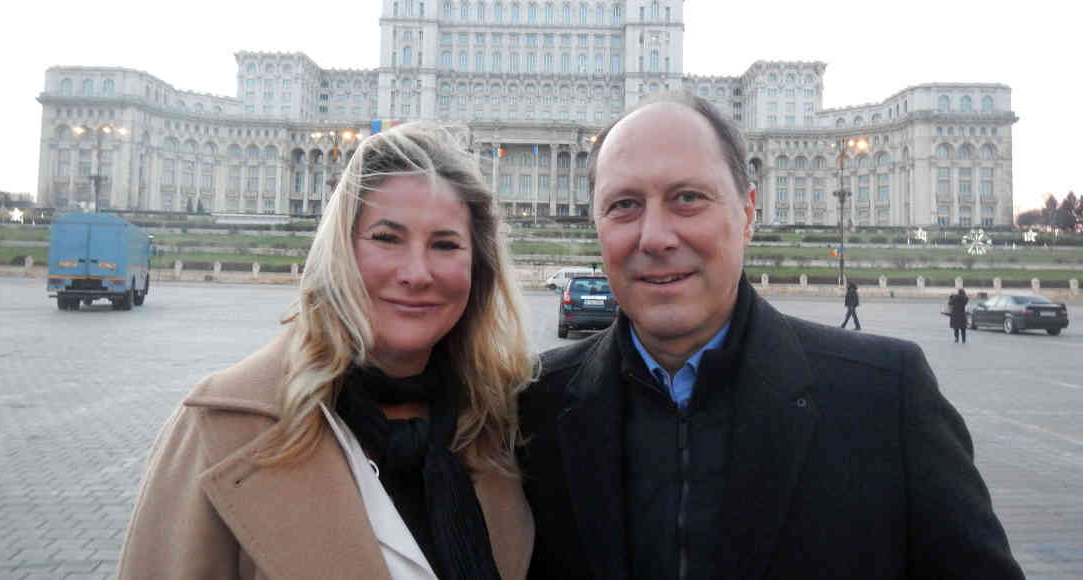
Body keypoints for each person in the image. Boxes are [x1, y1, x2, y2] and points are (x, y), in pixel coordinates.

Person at [518, 92, 1023, 579]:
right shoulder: (530, 409)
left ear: (747, 213)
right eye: (624, 205)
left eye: (688, 198)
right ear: (597, 225)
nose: (655, 237)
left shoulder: (887, 398)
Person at [119, 123, 534, 580]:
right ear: (340, 254)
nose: (417, 273)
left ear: (478, 268)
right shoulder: (222, 428)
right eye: (386, 238)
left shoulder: (501, 426)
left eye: (445, 244)